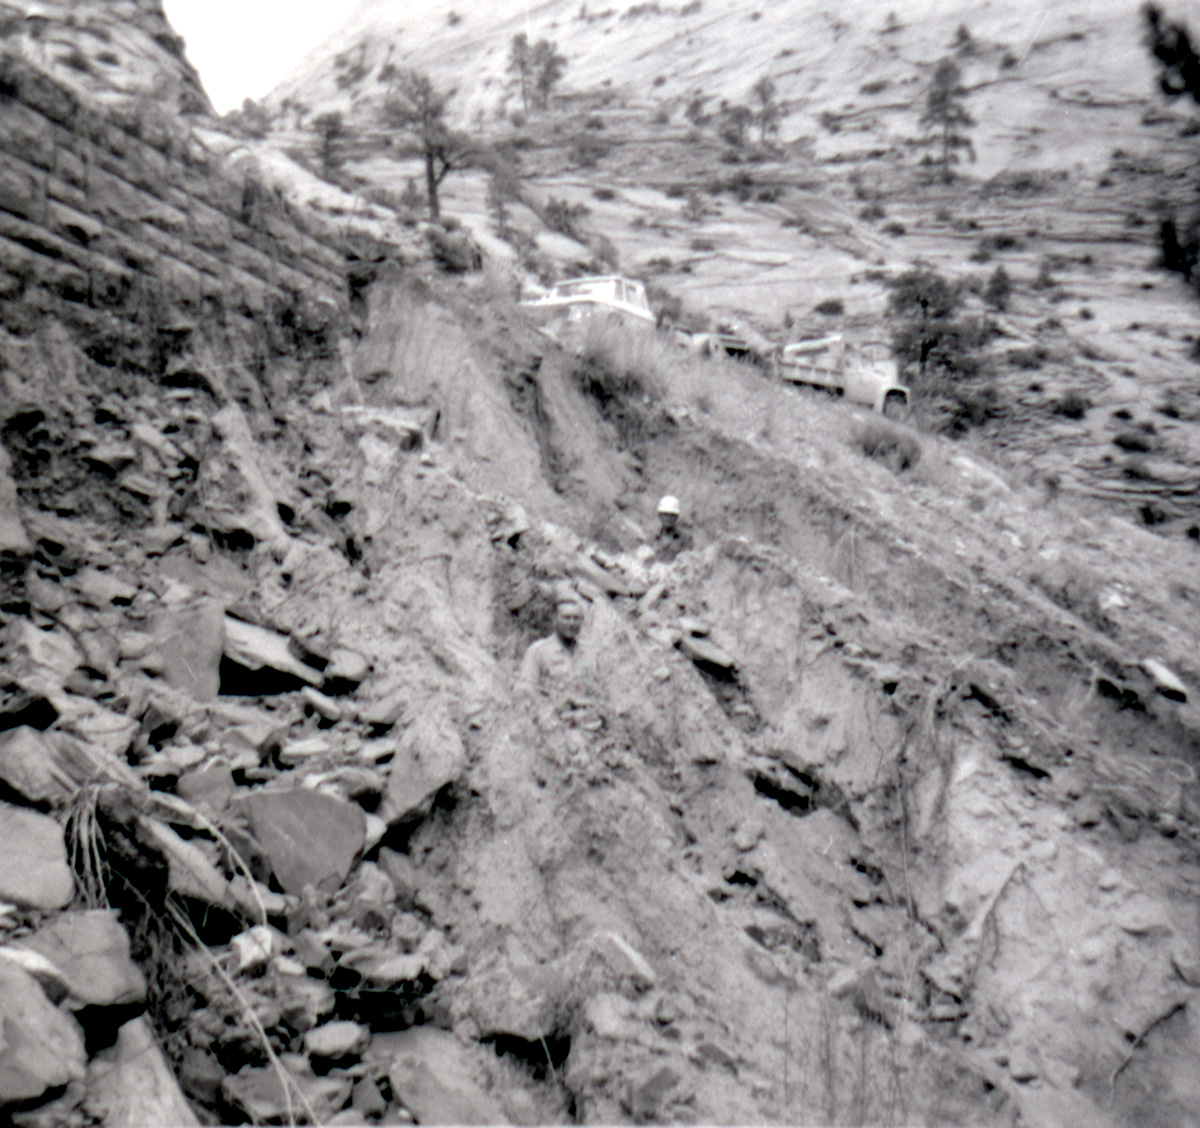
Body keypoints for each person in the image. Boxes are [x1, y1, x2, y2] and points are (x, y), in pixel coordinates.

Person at [653, 495, 693, 562]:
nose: (668, 518)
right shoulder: (652, 538)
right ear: (659, 515)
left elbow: (688, 562)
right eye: (665, 514)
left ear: (677, 516)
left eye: (672, 515)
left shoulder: (686, 538)